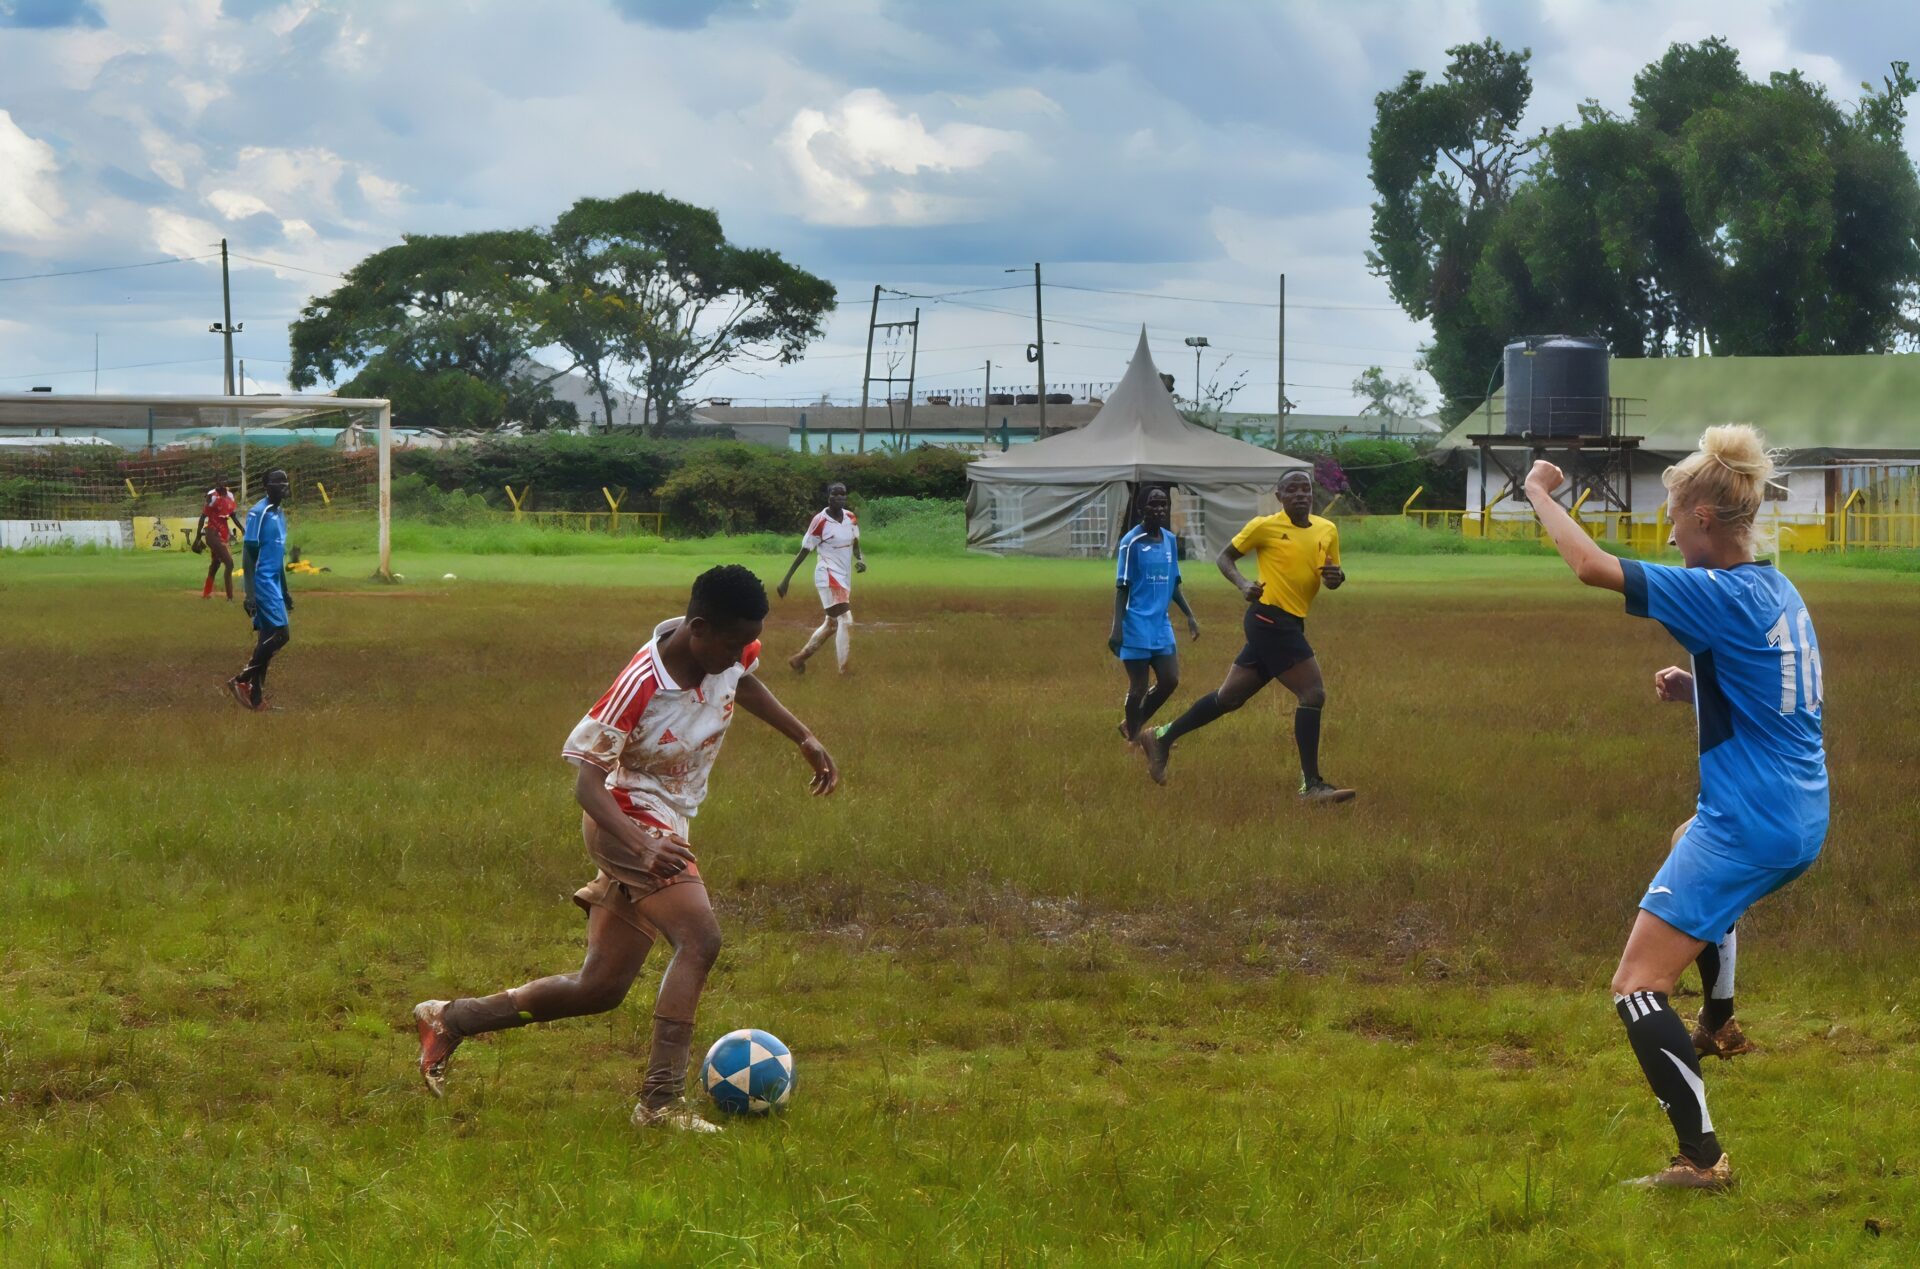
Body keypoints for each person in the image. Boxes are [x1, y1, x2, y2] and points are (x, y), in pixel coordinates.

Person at [413, 565, 839, 1133]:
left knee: (600, 988)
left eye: (747, 644)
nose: (742, 654)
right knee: (699, 937)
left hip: (666, 824)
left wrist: (804, 737)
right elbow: (586, 783)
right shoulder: (642, 683)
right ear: (697, 627)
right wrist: (640, 847)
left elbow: (745, 680)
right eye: (732, 644)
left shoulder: (728, 650)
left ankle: (452, 1018)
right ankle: (659, 1106)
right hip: (626, 820)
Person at [1522, 424, 1826, 1192]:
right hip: (1796, 811)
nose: (1665, 527)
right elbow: (1782, 696)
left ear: (1703, 519)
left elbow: (1591, 565)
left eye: (1671, 512)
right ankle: (1719, 1023)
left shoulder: (1717, 592)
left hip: (1750, 821)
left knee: (1636, 984)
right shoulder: (1776, 589)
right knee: (1683, 835)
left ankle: (1701, 1159)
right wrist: (1701, 689)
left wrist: (1536, 492)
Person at [1137, 469, 1354, 804]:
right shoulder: (1264, 526)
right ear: (1279, 496)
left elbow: (1330, 578)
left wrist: (1337, 578)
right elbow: (1225, 557)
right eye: (1291, 490)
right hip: (1268, 618)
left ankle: (1161, 737)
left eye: (1305, 489)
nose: (1300, 494)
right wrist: (1242, 584)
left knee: (1229, 698)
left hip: (1292, 623)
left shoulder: (1328, 530)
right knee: (1313, 693)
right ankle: (1311, 785)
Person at [1109, 486, 1199, 741]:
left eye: (1163, 505)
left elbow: (1173, 583)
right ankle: (1134, 739)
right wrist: (1117, 629)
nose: (1160, 510)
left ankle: (1131, 725)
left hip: (1161, 625)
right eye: (1154, 504)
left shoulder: (1169, 539)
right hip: (1135, 623)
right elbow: (1122, 587)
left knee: (1170, 680)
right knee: (1137, 688)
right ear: (1141, 508)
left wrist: (1190, 616)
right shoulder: (1131, 542)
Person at [777, 482, 866, 674]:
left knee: (831, 623)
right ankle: (845, 670)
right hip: (827, 573)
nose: (840, 498)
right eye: (836, 494)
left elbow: (856, 543)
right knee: (845, 618)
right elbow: (805, 550)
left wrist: (860, 559)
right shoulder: (820, 521)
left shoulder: (850, 518)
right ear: (828, 497)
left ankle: (799, 659)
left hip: (844, 576)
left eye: (843, 494)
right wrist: (787, 579)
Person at [228, 470, 291, 711]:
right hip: (263, 584)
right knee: (281, 635)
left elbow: (278, 555)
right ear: (266, 486)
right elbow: (248, 554)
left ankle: (256, 699)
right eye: (277, 484)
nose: (282, 487)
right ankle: (242, 680)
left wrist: (284, 590)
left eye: (284, 483)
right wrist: (250, 594)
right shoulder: (259, 512)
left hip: (274, 583)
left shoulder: (280, 513)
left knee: (266, 639)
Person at [193, 482, 243, 601]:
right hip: (212, 533)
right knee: (229, 563)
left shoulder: (229, 497)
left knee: (215, 564)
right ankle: (230, 597)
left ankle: (206, 593)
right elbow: (203, 517)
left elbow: (233, 516)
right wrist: (198, 537)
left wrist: (243, 529)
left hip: (222, 533)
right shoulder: (212, 497)